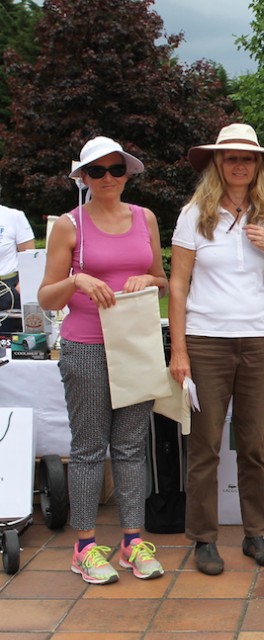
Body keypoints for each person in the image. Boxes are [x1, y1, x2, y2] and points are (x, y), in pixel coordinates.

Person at [38, 136, 167, 584]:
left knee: (132, 445)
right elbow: (45, 294)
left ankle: (133, 541)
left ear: (127, 173)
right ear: (83, 178)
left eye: (116, 169)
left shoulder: (144, 218)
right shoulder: (70, 225)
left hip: (135, 342)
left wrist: (145, 278)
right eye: (97, 171)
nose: (108, 178)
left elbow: (162, 281)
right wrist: (77, 281)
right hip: (87, 344)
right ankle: (85, 546)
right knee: (90, 447)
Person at [169, 123, 264, 575]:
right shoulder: (194, 214)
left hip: (258, 338)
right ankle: (203, 538)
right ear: (218, 163)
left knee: (254, 443)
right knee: (206, 445)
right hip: (206, 340)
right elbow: (177, 286)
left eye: (248, 158)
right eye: (231, 157)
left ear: (258, 165)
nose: (239, 164)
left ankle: (255, 534)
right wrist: (179, 351)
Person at [0, 187, 35, 334]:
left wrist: (21, 287)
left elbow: (30, 256)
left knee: (7, 342)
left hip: (8, 290)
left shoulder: (13, 216)